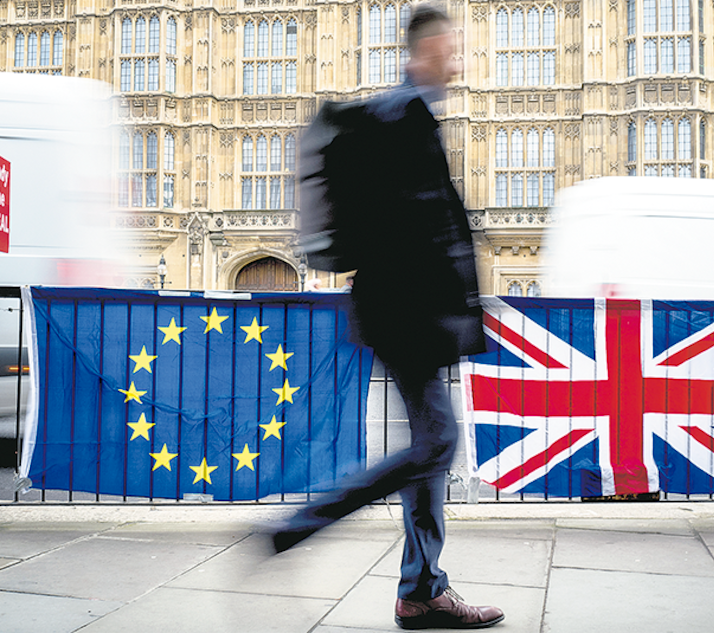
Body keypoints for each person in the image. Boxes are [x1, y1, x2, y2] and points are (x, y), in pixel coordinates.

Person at [271, 4, 504, 630]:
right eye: (450, 50)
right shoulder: (403, 115)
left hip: (403, 313)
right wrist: (451, 303)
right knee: (437, 444)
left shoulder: (402, 113)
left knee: (431, 453)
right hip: (408, 317)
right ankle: (305, 523)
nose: (457, 63)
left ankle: (422, 588)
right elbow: (421, 229)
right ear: (424, 51)